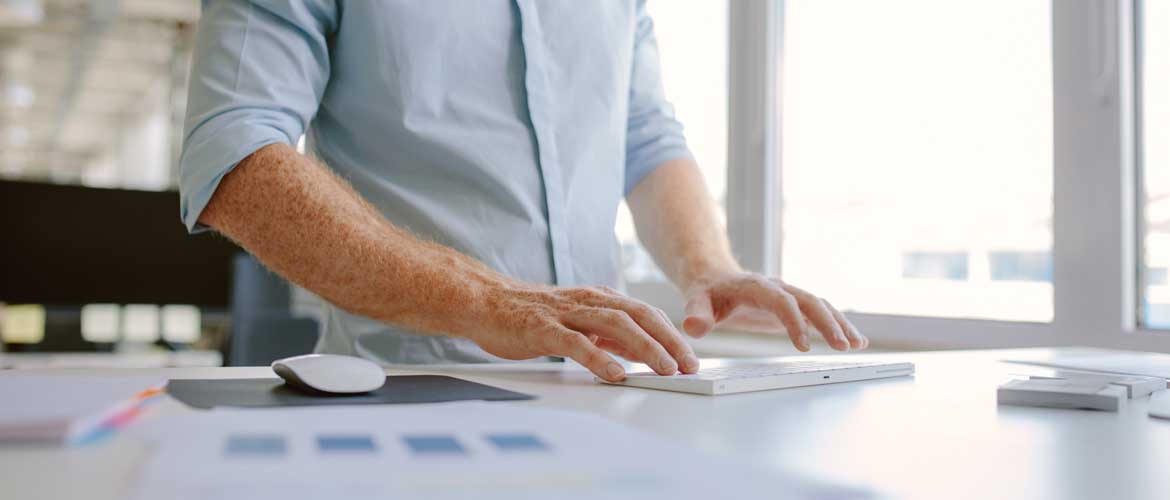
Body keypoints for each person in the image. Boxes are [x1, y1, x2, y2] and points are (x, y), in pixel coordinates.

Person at [180, 0, 867, 382]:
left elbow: (645, 136)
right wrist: (485, 300)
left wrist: (708, 267)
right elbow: (236, 154)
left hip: (610, 388)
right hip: (405, 389)